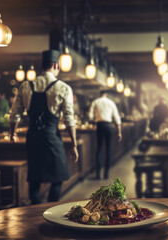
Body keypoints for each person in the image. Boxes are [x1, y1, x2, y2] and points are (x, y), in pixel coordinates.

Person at [9, 49, 78, 204]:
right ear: (55, 65)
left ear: (42, 65)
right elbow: (69, 118)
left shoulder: (26, 85)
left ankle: (35, 211)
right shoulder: (63, 88)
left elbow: (15, 114)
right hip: (51, 136)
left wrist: (11, 133)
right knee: (58, 177)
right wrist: (74, 143)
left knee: (34, 178)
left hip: (32, 136)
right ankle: (50, 210)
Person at [88, 90, 122, 180]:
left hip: (99, 126)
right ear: (106, 94)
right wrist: (119, 132)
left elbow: (90, 116)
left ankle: (98, 174)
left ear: (100, 94)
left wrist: (95, 117)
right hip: (108, 126)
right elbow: (117, 117)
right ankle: (106, 174)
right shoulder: (111, 103)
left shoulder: (95, 102)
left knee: (99, 149)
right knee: (108, 149)